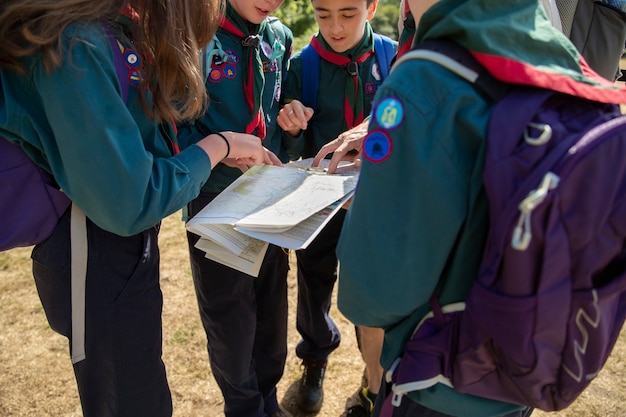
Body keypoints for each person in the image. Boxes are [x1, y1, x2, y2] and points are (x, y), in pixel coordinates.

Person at [335, 0, 626, 416]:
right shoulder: (562, 56)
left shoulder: (422, 79)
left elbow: (371, 296)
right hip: (519, 364)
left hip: (438, 381)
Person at [0, 0, 280, 416]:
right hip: (93, 245)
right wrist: (216, 146)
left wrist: (211, 150)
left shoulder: (104, 30)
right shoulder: (77, 42)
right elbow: (130, 201)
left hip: (115, 246)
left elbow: (139, 147)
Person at [176, 1, 293, 416]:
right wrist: (215, 150)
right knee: (231, 320)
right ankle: (244, 407)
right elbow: (173, 122)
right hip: (215, 201)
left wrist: (292, 118)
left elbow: (278, 112)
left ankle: (269, 398)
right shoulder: (194, 34)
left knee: (271, 310)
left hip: (269, 197)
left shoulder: (278, 38)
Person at [276, 0, 393, 414]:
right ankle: (314, 358)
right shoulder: (300, 68)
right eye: (323, 14)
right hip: (322, 203)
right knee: (314, 279)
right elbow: (294, 146)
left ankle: (375, 371)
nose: (335, 27)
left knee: (375, 290)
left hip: (377, 205)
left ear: (372, 7)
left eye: (348, 13)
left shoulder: (396, 60)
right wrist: (291, 126)